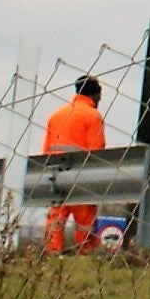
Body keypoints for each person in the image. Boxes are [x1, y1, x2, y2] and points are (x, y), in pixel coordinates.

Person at [41, 75, 107, 254]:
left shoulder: (57, 115)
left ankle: (53, 254)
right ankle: (85, 255)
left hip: (57, 174)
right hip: (81, 175)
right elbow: (96, 150)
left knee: (56, 217)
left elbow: (46, 148)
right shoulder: (93, 116)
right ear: (96, 94)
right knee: (85, 220)